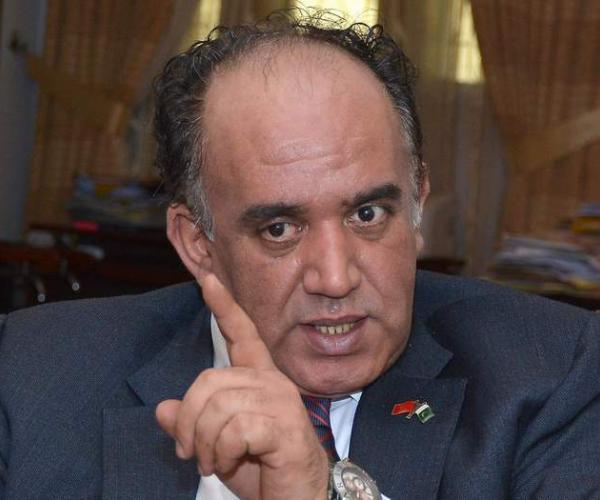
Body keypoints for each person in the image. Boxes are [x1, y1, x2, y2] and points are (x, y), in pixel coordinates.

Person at [1, 9, 600, 500]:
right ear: (197, 243)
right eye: (280, 229)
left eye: (368, 214)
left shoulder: (552, 374)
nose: (335, 278)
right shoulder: (33, 374)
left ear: (417, 202)